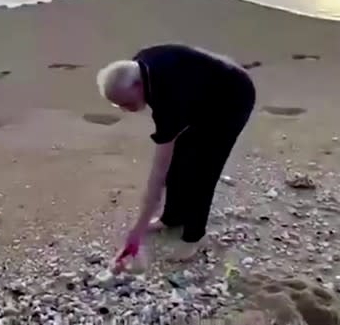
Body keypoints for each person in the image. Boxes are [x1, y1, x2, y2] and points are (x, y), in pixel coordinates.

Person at [96, 43, 256, 261]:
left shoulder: (168, 95)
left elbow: (158, 172)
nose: (125, 109)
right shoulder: (136, 67)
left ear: (137, 85)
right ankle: (172, 217)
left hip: (233, 97)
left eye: (125, 103)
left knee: (203, 170)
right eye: (118, 106)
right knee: (180, 160)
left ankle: (194, 237)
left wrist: (137, 231)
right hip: (199, 96)